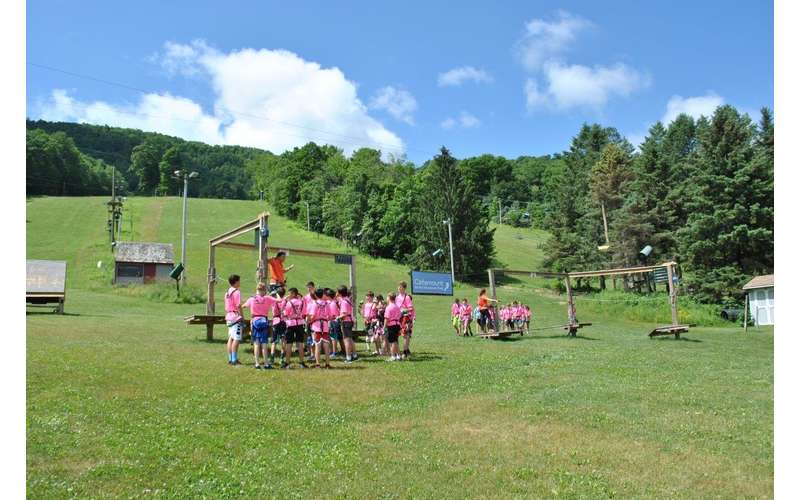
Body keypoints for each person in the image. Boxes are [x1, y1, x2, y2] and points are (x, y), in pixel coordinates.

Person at [243, 282, 277, 369]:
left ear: (257, 289)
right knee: (264, 343)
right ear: (264, 290)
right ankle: (266, 363)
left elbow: (243, 306)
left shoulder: (251, 299)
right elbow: (279, 301)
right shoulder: (268, 298)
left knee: (256, 343)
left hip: (255, 321)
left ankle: (257, 363)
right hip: (264, 321)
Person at [282, 287, 308, 368]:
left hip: (290, 324)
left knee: (289, 344)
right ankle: (301, 362)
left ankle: (287, 363)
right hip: (300, 323)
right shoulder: (301, 302)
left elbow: (285, 313)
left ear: (293, 294)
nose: (288, 295)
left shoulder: (289, 303)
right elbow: (304, 312)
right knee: (300, 343)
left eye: (289, 293)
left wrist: (285, 301)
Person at [306, 288, 332, 368]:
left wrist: (309, 321)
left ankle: (318, 364)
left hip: (316, 325)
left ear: (316, 295)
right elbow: (330, 316)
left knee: (317, 345)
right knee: (326, 345)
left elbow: (313, 316)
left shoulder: (315, 303)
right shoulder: (327, 303)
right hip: (325, 325)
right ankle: (327, 364)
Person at [225, 274, 244, 365]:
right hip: (236, 316)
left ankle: (230, 358)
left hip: (229, 316)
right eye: (239, 281)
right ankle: (234, 359)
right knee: (236, 339)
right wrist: (242, 316)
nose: (240, 283)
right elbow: (238, 305)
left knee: (230, 338)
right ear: (236, 282)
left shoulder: (227, 292)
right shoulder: (237, 292)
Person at [337, 285, 358, 363]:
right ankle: (354, 355)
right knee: (350, 339)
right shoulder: (347, 299)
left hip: (346, 321)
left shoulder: (343, 302)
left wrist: (338, 317)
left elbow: (344, 314)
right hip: (350, 321)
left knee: (346, 340)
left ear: (340, 293)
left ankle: (348, 357)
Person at [395, 281, 415, 359]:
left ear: (404, 288)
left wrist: (404, 310)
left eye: (400, 287)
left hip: (405, 318)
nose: (399, 288)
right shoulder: (396, 297)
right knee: (398, 335)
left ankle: (404, 351)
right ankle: (404, 350)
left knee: (405, 335)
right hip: (398, 317)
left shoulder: (407, 297)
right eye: (398, 287)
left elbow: (411, 308)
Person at [269, 287, 287, 367]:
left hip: (276, 321)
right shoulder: (285, 301)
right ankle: (282, 358)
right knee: (283, 340)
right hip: (283, 321)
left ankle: (272, 358)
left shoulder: (274, 301)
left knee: (274, 340)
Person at [384, 292, 402, 361]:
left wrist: (384, 327)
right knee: (396, 340)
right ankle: (398, 355)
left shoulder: (388, 307)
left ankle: (393, 356)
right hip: (397, 324)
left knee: (392, 341)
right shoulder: (397, 306)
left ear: (389, 298)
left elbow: (386, 318)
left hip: (391, 325)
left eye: (387, 297)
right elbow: (400, 315)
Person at [325, 288, 341, 358]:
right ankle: (332, 351)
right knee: (331, 337)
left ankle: (334, 352)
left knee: (333, 338)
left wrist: (328, 318)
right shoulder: (331, 302)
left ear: (328, 296)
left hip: (333, 322)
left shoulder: (332, 304)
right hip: (331, 321)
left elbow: (334, 315)